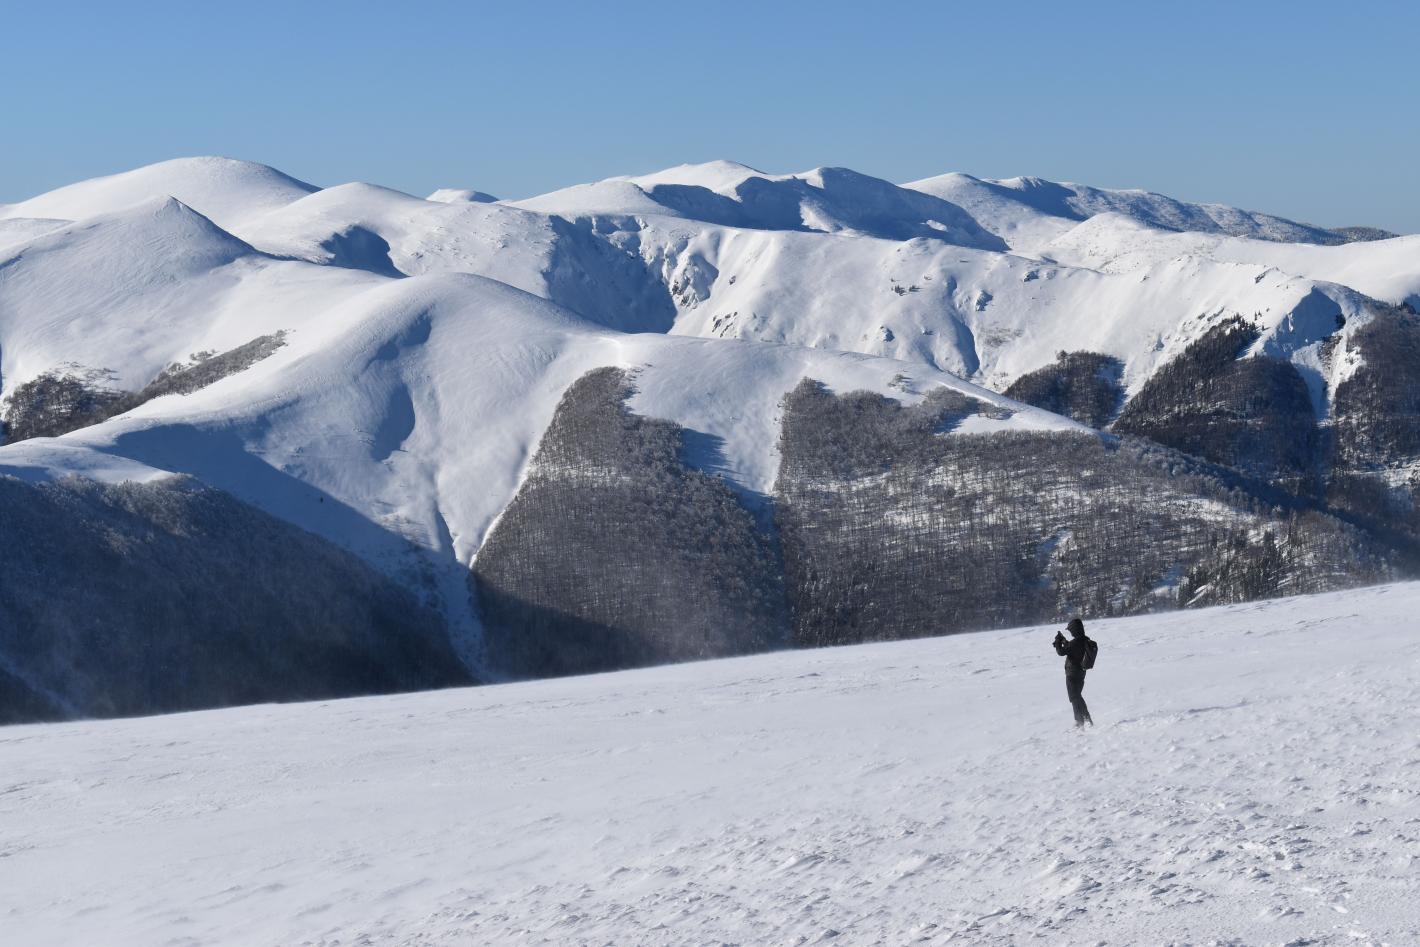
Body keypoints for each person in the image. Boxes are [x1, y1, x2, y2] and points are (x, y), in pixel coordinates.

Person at [1052, 617, 1094, 727]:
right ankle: (1085, 719)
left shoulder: (1074, 643)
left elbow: (1061, 652)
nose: (1070, 632)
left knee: (1074, 698)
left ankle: (1081, 721)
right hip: (1081, 673)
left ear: (1075, 630)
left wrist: (1058, 642)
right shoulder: (1085, 640)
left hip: (1072, 674)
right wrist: (1064, 641)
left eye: (1071, 630)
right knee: (1077, 696)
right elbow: (1071, 648)